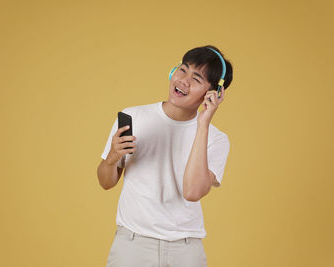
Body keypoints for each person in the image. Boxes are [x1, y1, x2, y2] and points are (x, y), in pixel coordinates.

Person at [97, 45, 233, 267]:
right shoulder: (134, 117)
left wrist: (203, 124)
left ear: (213, 93)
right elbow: (105, 182)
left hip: (185, 250)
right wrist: (112, 157)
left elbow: (192, 192)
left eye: (196, 79)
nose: (183, 81)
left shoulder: (215, 139)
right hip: (132, 246)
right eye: (182, 70)